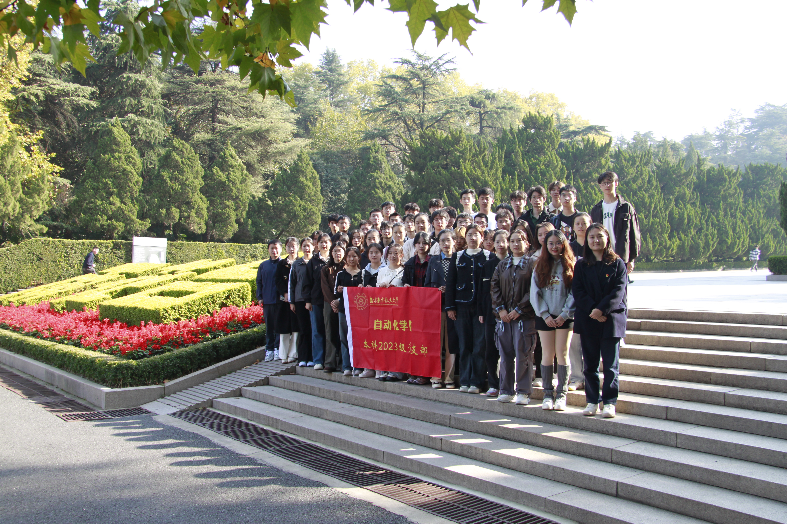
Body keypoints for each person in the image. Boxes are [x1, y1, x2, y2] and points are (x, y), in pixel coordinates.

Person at [572, 224, 628, 419]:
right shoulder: (581, 265)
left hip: (611, 319)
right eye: (592, 237)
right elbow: (578, 291)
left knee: (611, 365)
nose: (596, 240)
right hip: (588, 319)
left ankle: (610, 402)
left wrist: (601, 310)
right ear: (587, 240)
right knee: (590, 365)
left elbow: (618, 291)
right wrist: (593, 310)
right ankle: (592, 400)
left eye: (599, 236)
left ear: (607, 238)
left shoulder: (617, 264)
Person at [491, 229, 537, 405]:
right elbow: (494, 287)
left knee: (524, 354)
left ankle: (523, 391)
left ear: (527, 243)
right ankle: (506, 390)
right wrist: (501, 310)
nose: (516, 244)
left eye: (520, 240)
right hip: (504, 319)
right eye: (513, 241)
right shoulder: (502, 264)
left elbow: (534, 289)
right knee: (505, 355)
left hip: (524, 317)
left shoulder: (532, 263)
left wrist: (519, 309)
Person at [531, 230, 576, 411]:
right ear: (545, 245)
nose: (554, 246)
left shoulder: (571, 265)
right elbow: (535, 292)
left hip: (565, 316)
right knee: (547, 354)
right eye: (550, 243)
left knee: (562, 353)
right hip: (545, 317)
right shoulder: (539, 265)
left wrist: (565, 314)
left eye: (558, 243)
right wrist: (544, 315)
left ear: (564, 244)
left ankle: (562, 394)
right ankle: (548, 393)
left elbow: (574, 292)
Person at [446, 225, 490, 394]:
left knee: (479, 345)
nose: (472, 238)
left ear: (482, 237)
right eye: (469, 235)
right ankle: (464, 380)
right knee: (464, 345)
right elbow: (450, 283)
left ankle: (476, 382)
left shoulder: (488, 256)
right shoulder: (457, 256)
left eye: (476, 235)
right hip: (461, 307)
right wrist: (450, 307)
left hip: (480, 309)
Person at [589, 171, 641, 281]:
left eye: (609, 182)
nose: (607, 185)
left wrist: (631, 259)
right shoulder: (596, 209)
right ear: (600, 186)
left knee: (620, 287)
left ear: (616, 183)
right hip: (601, 255)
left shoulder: (626, 207)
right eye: (604, 183)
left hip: (621, 255)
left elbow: (634, 234)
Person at [426, 229, 459, 388]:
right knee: (436, 344)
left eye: (448, 240)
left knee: (451, 344)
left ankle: (449, 378)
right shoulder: (433, 261)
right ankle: (436, 377)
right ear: (438, 243)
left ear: (454, 241)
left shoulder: (460, 259)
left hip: (454, 308)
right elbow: (427, 285)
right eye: (442, 241)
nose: (446, 244)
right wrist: (436, 290)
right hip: (437, 308)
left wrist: (450, 289)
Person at [478, 229, 509, 398]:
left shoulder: (514, 263)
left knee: (509, 351)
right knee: (490, 350)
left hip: (511, 314)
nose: (500, 245)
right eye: (497, 242)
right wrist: (482, 311)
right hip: (491, 313)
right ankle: (493, 383)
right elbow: (483, 292)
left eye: (504, 241)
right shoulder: (488, 265)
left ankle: (508, 383)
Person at [334, 247, 364, 377]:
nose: (352, 259)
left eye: (354, 256)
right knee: (344, 337)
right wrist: (339, 290)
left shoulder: (363, 274)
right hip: (343, 310)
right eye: (349, 256)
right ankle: (346, 366)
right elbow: (336, 293)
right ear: (345, 258)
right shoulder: (341, 274)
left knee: (358, 338)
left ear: (359, 258)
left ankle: (358, 366)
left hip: (359, 311)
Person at [304, 233, 331, 370]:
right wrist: (308, 300)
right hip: (316, 301)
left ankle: (331, 360)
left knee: (330, 331)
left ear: (330, 244)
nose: (324, 244)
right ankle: (318, 360)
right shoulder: (312, 262)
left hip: (331, 301)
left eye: (326, 242)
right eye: (321, 242)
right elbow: (307, 282)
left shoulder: (334, 260)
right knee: (317, 330)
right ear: (317, 244)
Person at [289, 237, 314, 367]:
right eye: (304, 246)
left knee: (313, 329)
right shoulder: (296, 264)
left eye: (309, 245)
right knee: (303, 329)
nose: (306, 248)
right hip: (299, 300)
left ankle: (312, 357)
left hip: (314, 300)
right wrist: (291, 301)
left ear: (313, 247)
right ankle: (303, 357)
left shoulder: (315, 262)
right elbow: (292, 283)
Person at [321, 243, 346, 372]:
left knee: (343, 333)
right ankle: (330, 362)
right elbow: (325, 287)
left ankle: (343, 362)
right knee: (330, 332)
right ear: (331, 253)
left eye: (340, 251)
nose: (337, 253)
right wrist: (333, 302)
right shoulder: (326, 269)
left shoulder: (347, 268)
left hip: (344, 302)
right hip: (329, 303)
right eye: (335, 251)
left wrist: (339, 301)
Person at [276, 237, 301, 363]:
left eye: (294, 246)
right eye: (289, 246)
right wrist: (285, 293)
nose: (291, 249)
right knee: (284, 328)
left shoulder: (301, 262)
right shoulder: (281, 264)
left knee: (296, 328)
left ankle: (293, 354)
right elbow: (278, 281)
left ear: (298, 247)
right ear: (285, 248)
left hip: (297, 300)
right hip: (284, 301)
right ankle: (283, 354)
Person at [256, 240, 281, 362]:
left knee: (279, 326)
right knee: (269, 327)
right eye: (272, 248)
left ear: (280, 249)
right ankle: (269, 349)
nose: (274, 251)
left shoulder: (283, 264)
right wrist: (260, 297)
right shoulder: (263, 265)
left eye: (276, 248)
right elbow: (259, 282)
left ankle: (277, 348)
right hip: (267, 300)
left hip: (280, 301)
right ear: (268, 250)